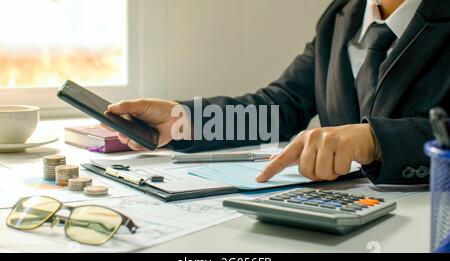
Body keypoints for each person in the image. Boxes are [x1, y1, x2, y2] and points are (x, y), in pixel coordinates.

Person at [105, 0, 449, 185]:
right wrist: (182, 121)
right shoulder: (341, 15)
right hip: (339, 218)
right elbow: (281, 106)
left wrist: (375, 140)